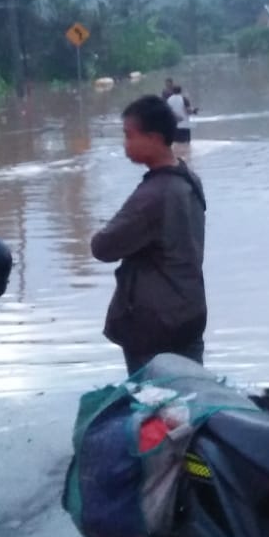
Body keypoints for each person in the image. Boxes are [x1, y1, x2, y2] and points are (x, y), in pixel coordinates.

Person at [91, 95, 207, 374]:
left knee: (154, 407)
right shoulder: (188, 178)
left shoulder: (153, 197)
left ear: (154, 138)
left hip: (156, 326)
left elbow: (102, 247)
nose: (125, 144)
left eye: (129, 136)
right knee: (189, 401)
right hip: (189, 313)